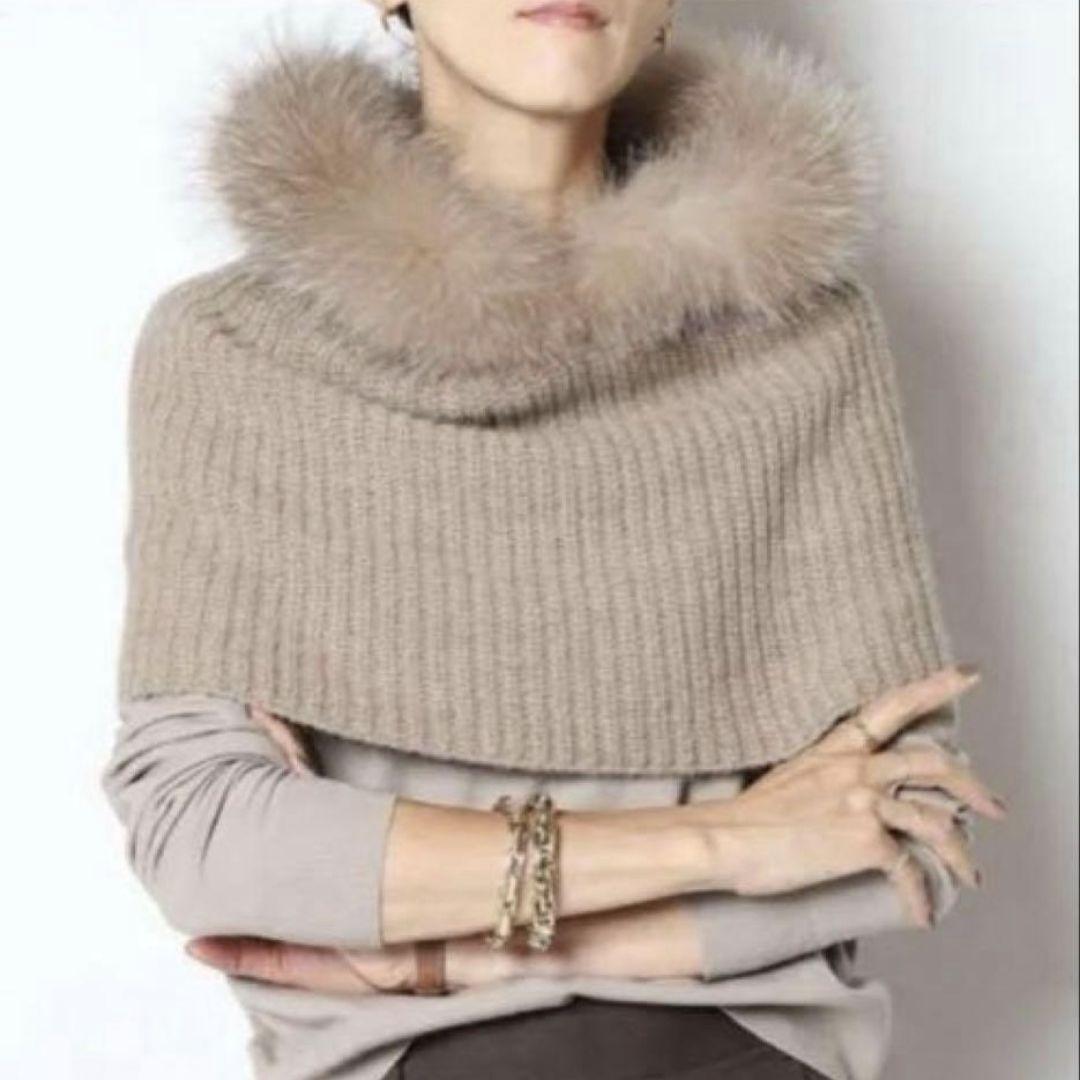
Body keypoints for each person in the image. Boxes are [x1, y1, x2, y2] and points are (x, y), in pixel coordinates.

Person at [101, 2, 1007, 1078]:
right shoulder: (236, 355)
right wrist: (726, 841)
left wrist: (460, 954)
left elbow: (905, 829)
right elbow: (204, 838)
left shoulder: (806, 342)